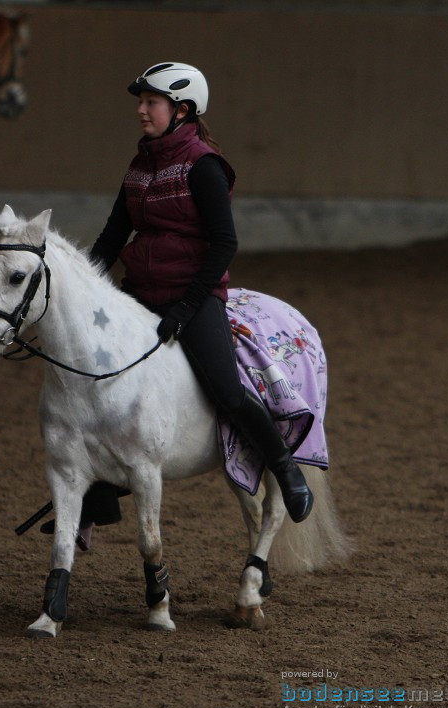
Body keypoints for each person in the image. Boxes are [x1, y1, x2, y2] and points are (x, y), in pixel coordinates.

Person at [82, 61, 315, 534]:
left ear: (182, 110)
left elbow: (224, 244)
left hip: (193, 295)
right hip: (140, 293)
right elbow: (112, 236)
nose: (141, 111)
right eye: (141, 102)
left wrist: (188, 307)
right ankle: (101, 493)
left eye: (152, 103)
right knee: (97, 379)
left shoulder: (204, 166)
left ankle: (285, 469)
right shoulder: (139, 165)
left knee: (227, 391)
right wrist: (83, 285)